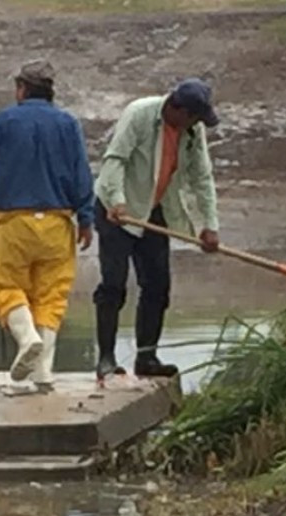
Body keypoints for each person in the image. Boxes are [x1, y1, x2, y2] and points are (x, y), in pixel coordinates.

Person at [0, 60, 94, 389]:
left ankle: (26, 340)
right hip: (58, 223)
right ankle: (43, 373)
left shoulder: (5, 120)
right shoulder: (68, 124)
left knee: (5, 286)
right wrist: (86, 218)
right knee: (51, 296)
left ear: (21, 90)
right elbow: (82, 174)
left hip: (14, 223)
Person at [93, 78, 221, 380]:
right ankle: (107, 359)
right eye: (194, 118)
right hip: (116, 210)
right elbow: (115, 160)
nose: (196, 125)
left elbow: (202, 177)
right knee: (114, 284)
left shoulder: (192, 130)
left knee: (158, 286)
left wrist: (209, 226)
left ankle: (147, 357)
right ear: (178, 109)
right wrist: (118, 201)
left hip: (153, 210)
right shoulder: (139, 114)